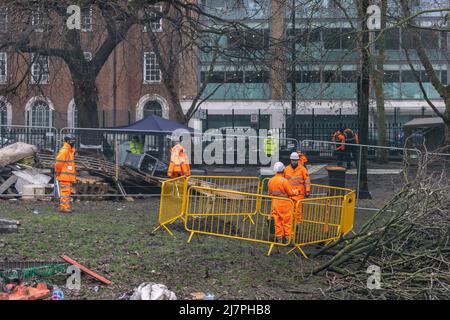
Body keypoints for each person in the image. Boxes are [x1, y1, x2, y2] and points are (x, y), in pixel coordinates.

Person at [268, 162, 298, 244]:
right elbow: (290, 192)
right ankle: (288, 239)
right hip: (285, 203)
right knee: (287, 221)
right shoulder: (284, 181)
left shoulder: (270, 181)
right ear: (283, 170)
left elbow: (269, 193)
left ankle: (279, 239)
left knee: (277, 222)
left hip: (275, 203)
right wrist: (296, 192)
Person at [284, 152, 311, 224]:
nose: (294, 162)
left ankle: (297, 224)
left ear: (298, 160)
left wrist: (307, 190)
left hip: (299, 194)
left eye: (295, 160)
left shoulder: (302, 169)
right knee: (288, 209)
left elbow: (307, 180)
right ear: (290, 160)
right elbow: (283, 181)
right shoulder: (286, 169)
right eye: (293, 160)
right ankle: (290, 223)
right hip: (289, 193)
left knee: (298, 210)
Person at [55, 135, 76, 213]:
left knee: (67, 192)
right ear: (67, 141)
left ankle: (66, 207)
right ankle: (64, 207)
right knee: (65, 193)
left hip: (67, 176)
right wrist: (58, 173)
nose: (73, 142)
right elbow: (58, 164)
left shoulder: (69, 151)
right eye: (71, 141)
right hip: (64, 176)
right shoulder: (65, 151)